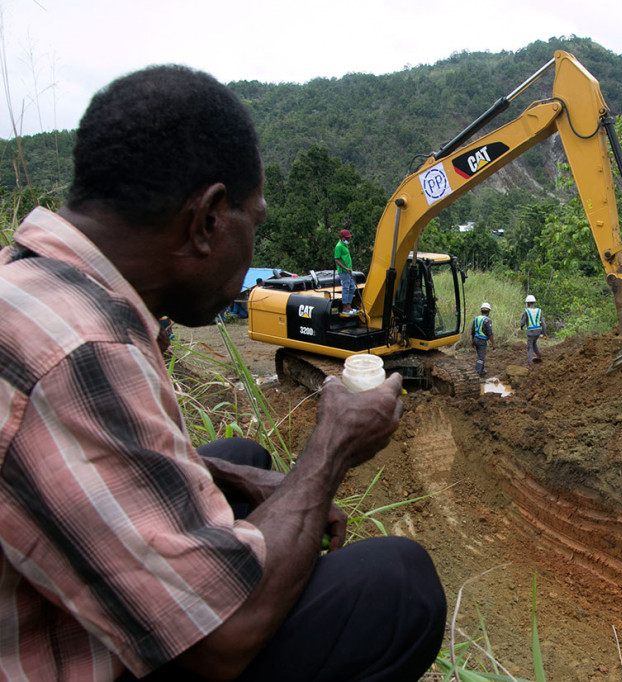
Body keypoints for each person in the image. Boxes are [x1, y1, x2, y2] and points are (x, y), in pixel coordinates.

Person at [0, 65, 445, 682]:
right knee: (398, 584)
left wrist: (236, 476)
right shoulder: (82, 351)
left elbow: (55, 460)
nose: (253, 251)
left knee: (243, 460)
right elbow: (221, 638)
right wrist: (331, 448)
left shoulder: (30, 284)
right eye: (254, 224)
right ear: (208, 220)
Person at [519, 294, 547, 367]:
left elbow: (523, 322)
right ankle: (538, 355)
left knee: (529, 347)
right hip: (538, 331)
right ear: (534, 302)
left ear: (528, 303)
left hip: (530, 332)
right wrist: (544, 333)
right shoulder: (539, 310)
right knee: (534, 343)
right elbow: (543, 323)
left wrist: (521, 327)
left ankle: (530, 363)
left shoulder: (526, 311)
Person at [334, 228, 357, 315]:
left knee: (352, 287)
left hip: (348, 270)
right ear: (342, 237)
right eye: (347, 238)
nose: (348, 239)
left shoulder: (345, 245)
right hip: (343, 271)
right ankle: (345, 308)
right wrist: (345, 268)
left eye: (349, 238)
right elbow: (336, 259)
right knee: (346, 288)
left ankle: (349, 306)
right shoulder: (339, 246)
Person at [472, 302, 496, 377]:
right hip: (481, 341)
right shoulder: (487, 320)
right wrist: (493, 344)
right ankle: (477, 373)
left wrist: (472, 340)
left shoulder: (476, 319)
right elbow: (490, 333)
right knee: (481, 357)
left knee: (480, 355)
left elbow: (472, 330)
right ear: (488, 311)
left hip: (476, 339)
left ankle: (481, 371)